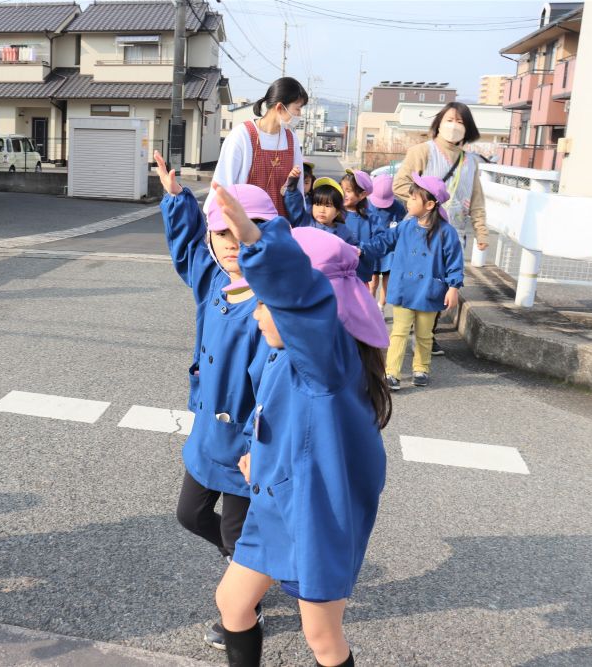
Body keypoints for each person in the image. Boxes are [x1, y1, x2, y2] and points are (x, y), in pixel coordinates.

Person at [209, 184, 391, 667]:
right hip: (278, 499)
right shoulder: (285, 353)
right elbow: (272, 418)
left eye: (266, 304)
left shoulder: (325, 362)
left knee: (322, 636)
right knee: (232, 602)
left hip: (319, 511)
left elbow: (303, 303)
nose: (258, 313)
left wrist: (257, 241)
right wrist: (259, 458)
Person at [155, 151, 271, 651]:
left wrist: (257, 446)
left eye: (238, 234)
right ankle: (245, 568)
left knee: (233, 529)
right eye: (219, 234)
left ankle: (242, 608)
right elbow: (186, 250)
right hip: (208, 434)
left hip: (246, 444)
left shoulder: (270, 309)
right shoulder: (213, 283)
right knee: (191, 515)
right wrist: (176, 198)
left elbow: (273, 391)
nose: (228, 246)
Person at [392, 102, 488, 355]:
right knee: (415, 280)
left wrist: (481, 231)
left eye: (460, 121)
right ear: (438, 123)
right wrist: (425, 203)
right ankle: (406, 329)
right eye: (449, 119)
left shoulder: (471, 161)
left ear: (468, 128)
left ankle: (427, 333)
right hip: (420, 230)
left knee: (441, 283)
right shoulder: (422, 151)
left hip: (453, 233)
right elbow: (399, 184)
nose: (454, 126)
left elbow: (476, 198)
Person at [360, 174, 464, 390]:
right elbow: (384, 242)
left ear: (429, 204)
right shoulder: (405, 227)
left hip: (429, 291)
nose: (408, 202)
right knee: (398, 331)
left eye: (413, 199)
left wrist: (453, 286)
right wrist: (362, 249)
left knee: (425, 334)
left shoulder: (447, 233)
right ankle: (392, 373)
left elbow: (455, 261)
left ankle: (421, 368)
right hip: (403, 290)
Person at [205, 77, 308, 219]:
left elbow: (298, 189)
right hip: (246, 228)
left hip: (282, 230)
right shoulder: (241, 136)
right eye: (297, 108)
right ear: (279, 107)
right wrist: (217, 228)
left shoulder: (292, 139)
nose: (299, 115)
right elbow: (223, 185)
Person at [366, 174, 407, 312]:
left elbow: (401, 228)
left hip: (390, 249)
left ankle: (380, 306)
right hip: (373, 246)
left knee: (387, 281)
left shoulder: (399, 208)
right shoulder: (367, 205)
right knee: (372, 281)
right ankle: (369, 307)